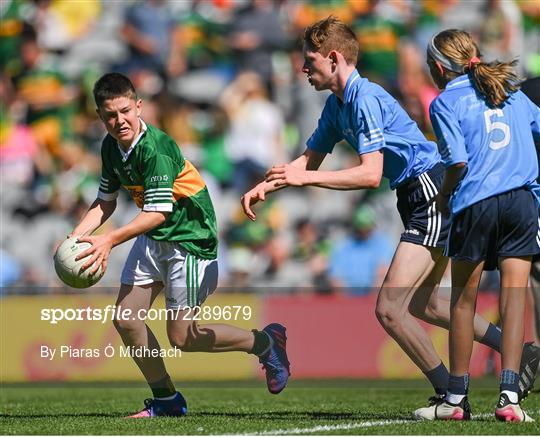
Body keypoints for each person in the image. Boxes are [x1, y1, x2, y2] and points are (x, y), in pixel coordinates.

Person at [240, 16, 537, 417]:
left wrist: (304, 178)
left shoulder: (366, 98)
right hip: (414, 194)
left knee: (390, 308)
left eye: (309, 60)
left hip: (430, 190)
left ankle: (451, 396)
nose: (303, 69)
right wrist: (269, 185)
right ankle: (519, 354)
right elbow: (308, 159)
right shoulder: (336, 106)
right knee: (426, 305)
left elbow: (369, 173)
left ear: (333, 58)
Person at [68, 73, 290, 418]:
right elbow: (104, 202)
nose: (119, 120)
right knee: (127, 320)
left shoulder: (156, 148)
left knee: (183, 338)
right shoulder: (111, 146)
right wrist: (74, 238)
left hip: (189, 241)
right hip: (155, 237)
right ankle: (167, 401)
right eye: (110, 115)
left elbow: (157, 213)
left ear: (139, 106)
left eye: (125, 111)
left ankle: (265, 342)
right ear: (100, 116)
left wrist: (108, 240)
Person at [426, 29, 540, 422]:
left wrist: (442, 197)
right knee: (513, 299)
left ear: (438, 68)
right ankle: (510, 397)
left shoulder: (444, 102)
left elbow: (456, 163)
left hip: (476, 203)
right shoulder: (510, 92)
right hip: (522, 204)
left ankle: (455, 400)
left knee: (463, 302)